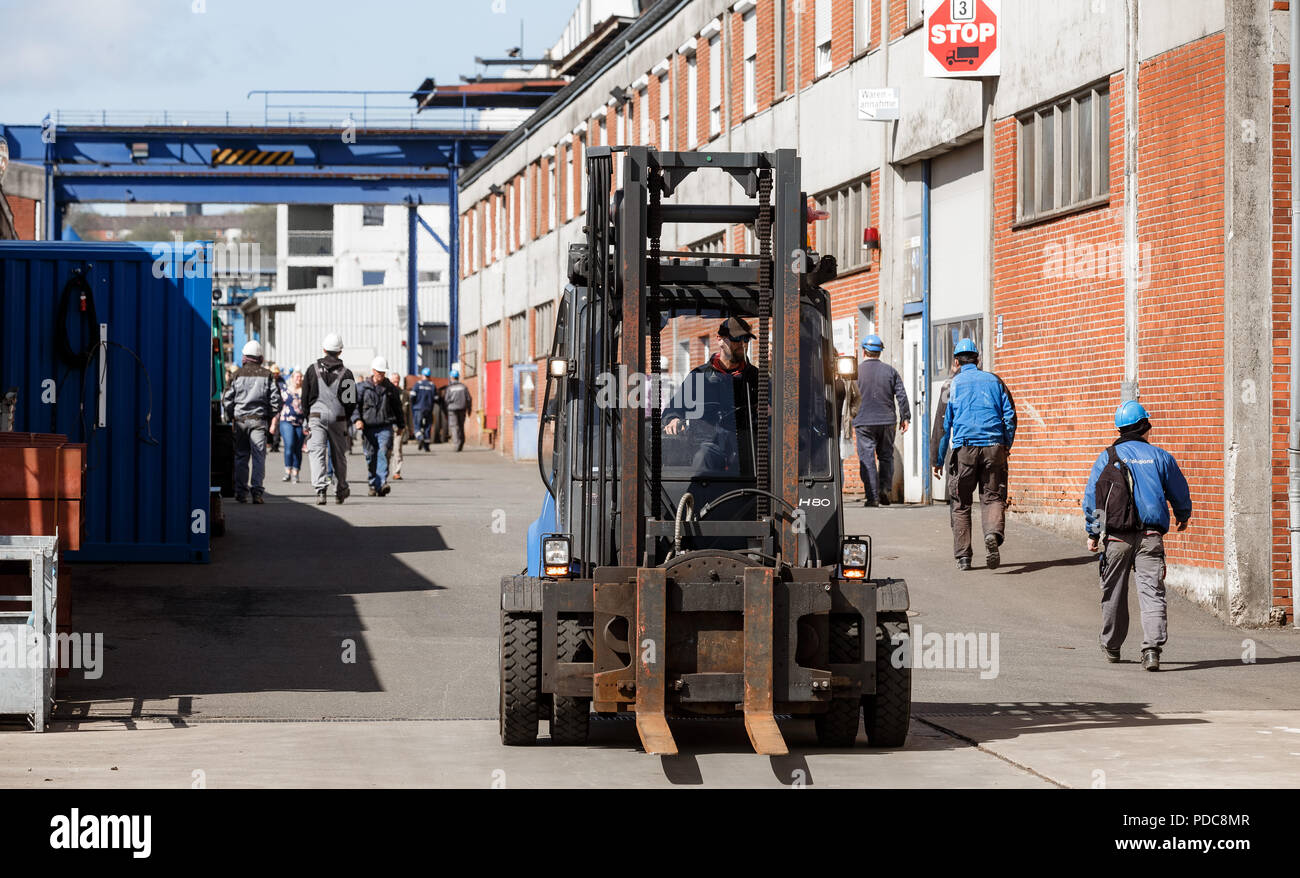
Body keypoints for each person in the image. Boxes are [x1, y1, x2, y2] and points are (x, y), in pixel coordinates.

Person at [1083, 401, 1192, 671]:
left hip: (1117, 538)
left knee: (1113, 593)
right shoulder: (1160, 457)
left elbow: (1093, 498)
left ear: (1120, 428)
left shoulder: (1107, 456)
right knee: (1152, 592)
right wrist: (1182, 514)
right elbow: (1179, 490)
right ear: (1146, 426)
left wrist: (1093, 532)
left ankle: (1111, 645)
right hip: (1151, 536)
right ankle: (1152, 649)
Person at [932, 339, 1016, 571]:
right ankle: (992, 534)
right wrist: (1005, 444)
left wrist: (937, 460)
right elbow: (1009, 416)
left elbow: (943, 425)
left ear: (956, 361)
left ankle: (964, 557)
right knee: (992, 497)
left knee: (961, 502)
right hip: (994, 447)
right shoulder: (995, 381)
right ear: (978, 360)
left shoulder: (952, 385)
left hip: (965, 450)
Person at [663, 316, 759, 477]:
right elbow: (674, 409)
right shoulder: (699, 377)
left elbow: (776, 410)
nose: (742, 344)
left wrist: (770, 409)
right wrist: (672, 419)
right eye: (736, 339)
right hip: (707, 444)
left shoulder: (755, 376)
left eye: (746, 339)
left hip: (745, 445)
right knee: (703, 460)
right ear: (719, 340)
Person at [852, 334, 910, 507]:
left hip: (863, 421)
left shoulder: (856, 372)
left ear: (864, 351)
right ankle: (885, 489)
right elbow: (902, 395)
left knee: (867, 458)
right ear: (879, 352)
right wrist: (905, 417)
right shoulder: (890, 371)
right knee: (886, 456)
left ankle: (873, 497)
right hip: (887, 421)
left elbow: (849, 396)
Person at [222, 340, 282, 505]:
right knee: (258, 457)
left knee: (241, 456)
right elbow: (276, 400)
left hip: (240, 421)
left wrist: (230, 417)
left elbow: (227, 400)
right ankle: (257, 493)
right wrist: (269, 416)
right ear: (260, 357)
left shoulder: (236, 375)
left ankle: (241, 493)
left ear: (244, 357)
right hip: (259, 421)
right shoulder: (267, 375)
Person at [302, 333, 358, 505]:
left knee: (317, 453)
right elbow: (351, 402)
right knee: (338, 455)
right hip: (338, 417)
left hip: (316, 416)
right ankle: (341, 490)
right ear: (340, 351)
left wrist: (307, 418)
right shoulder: (346, 374)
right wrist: (344, 418)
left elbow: (304, 398)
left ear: (324, 349)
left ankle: (320, 491)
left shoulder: (312, 369)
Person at [357, 357, 405, 496]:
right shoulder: (362, 388)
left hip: (385, 426)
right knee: (371, 456)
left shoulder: (390, 389)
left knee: (383, 452)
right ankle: (373, 484)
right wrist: (357, 420)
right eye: (379, 372)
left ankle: (382, 482)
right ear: (373, 371)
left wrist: (401, 424)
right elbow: (355, 407)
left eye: (383, 373)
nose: (381, 375)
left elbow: (398, 408)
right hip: (368, 427)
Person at [278, 369, 306, 483]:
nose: (298, 379)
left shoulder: (304, 392)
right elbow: (278, 405)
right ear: (292, 378)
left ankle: (296, 472)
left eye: (300, 377)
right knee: (289, 445)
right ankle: (287, 470)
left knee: (298, 448)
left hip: (300, 422)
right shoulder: (285, 390)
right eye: (296, 377)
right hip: (286, 421)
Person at [443, 366, 473, 452]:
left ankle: (456, 444)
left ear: (451, 377)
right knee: (461, 426)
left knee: (454, 426)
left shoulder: (449, 388)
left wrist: (446, 409)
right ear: (458, 377)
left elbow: (446, 400)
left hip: (452, 409)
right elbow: (469, 398)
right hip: (462, 408)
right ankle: (461, 442)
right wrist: (469, 409)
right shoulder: (463, 387)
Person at [387, 370, 408, 480]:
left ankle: (397, 471)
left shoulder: (404, 393)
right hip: (387, 425)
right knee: (387, 450)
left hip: (399, 425)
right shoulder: (386, 392)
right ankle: (384, 471)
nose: (396, 384)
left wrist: (408, 426)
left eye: (397, 381)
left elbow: (408, 411)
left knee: (397, 449)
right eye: (394, 381)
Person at [412, 367, 438, 452]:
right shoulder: (432, 385)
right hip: (428, 409)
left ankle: (420, 437)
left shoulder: (417, 384)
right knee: (427, 427)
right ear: (429, 376)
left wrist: (414, 404)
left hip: (418, 409)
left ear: (422, 375)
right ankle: (426, 446)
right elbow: (436, 398)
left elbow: (412, 396)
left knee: (417, 426)